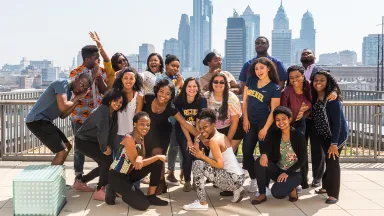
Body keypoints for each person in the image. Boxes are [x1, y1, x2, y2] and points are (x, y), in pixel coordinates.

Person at [143, 78, 203, 194]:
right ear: (157, 90)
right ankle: (157, 182)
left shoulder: (171, 107)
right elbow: (137, 113)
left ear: (171, 96)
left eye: (167, 94)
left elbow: (185, 123)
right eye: (161, 91)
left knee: (159, 156)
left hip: (163, 133)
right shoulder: (148, 98)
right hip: (147, 131)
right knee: (147, 156)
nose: (163, 96)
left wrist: (202, 137)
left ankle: (160, 183)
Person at [183, 108, 245, 211]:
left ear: (213, 125)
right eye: (200, 128)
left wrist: (202, 156)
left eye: (205, 127)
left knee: (197, 164)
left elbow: (219, 165)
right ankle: (237, 189)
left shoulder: (214, 141)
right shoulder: (221, 136)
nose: (202, 131)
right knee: (202, 163)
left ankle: (202, 203)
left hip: (233, 179)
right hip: (238, 177)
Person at [106, 112, 168, 211]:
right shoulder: (129, 138)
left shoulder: (141, 138)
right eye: (142, 124)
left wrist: (141, 158)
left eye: (148, 125)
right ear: (135, 124)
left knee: (157, 163)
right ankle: (114, 190)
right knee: (143, 205)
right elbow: (137, 163)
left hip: (129, 173)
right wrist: (156, 157)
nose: (145, 127)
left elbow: (140, 161)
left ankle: (151, 196)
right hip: (117, 176)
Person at [25, 73, 91, 165]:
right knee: (61, 152)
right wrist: (77, 97)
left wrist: (77, 102)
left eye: (84, 89)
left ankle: (56, 172)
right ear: (76, 78)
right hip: (36, 120)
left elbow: (63, 115)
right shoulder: (62, 83)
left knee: (68, 146)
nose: (81, 89)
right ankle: (51, 177)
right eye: (81, 84)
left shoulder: (68, 93)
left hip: (45, 121)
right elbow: (63, 107)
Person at [75, 89, 127, 201]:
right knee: (107, 160)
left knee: (105, 164)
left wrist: (110, 148)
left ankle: (81, 182)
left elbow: (112, 133)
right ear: (109, 100)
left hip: (92, 141)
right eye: (115, 101)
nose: (118, 104)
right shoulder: (103, 111)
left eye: (120, 102)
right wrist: (104, 148)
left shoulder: (114, 113)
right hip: (83, 141)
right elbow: (102, 132)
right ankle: (100, 190)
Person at [70, 44, 109, 191]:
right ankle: (79, 178)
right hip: (80, 117)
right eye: (95, 58)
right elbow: (81, 90)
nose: (98, 60)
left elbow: (105, 91)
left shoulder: (100, 72)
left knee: (100, 146)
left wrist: (98, 77)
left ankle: (103, 176)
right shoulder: (76, 73)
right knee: (80, 149)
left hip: (96, 117)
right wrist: (93, 75)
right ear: (87, 59)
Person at [251, 106, 307, 205]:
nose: (280, 122)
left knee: (277, 193)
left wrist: (288, 172)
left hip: (294, 172)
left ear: (289, 119)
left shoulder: (298, 135)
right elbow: (266, 147)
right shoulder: (274, 134)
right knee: (259, 162)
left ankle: (292, 187)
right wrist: (264, 154)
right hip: (278, 170)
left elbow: (303, 158)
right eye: (277, 120)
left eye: (283, 119)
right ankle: (262, 193)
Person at [242, 57, 281, 193]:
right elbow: (245, 102)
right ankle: (253, 178)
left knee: (264, 154)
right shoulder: (251, 80)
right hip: (250, 122)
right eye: (257, 68)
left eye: (262, 68)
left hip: (264, 123)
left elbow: (274, 110)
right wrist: (245, 119)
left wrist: (264, 129)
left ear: (268, 68)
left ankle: (264, 185)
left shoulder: (274, 88)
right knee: (247, 152)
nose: (259, 71)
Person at [311, 71, 348, 204]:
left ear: (328, 83)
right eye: (316, 80)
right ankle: (326, 187)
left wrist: (334, 143)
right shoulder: (315, 96)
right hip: (323, 135)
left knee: (333, 163)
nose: (318, 82)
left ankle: (333, 194)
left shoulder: (332, 99)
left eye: (322, 80)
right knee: (328, 161)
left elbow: (337, 124)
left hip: (336, 137)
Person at [174, 77, 207, 192]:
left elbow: (199, 121)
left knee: (197, 156)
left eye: (194, 86)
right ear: (185, 87)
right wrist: (189, 140)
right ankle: (187, 180)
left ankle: (197, 181)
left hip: (198, 131)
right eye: (189, 86)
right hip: (183, 131)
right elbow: (182, 122)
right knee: (187, 154)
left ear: (198, 88)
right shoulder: (178, 100)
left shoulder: (201, 100)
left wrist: (197, 141)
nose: (192, 89)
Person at [157, 54, 184, 186]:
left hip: (175, 118)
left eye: (178, 66)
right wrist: (178, 86)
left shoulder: (178, 78)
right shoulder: (161, 79)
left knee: (174, 146)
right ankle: (159, 175)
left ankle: (171, 172)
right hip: (163, 118)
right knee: (161, 147)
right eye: (173, 65)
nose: (176, 69)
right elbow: (166, 97)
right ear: (166, 65)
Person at [204, 74, 244, 153]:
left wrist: (227, 141)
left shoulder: (232, 98)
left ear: (226, 84)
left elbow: (234, 123)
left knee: (227, 155)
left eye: (222, 82)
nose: (218, 84)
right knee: (215, 156)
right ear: (211, 83)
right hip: (213, 129)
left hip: (231, 129)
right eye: (216, 82)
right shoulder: (206, 97)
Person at [112, 67, 144, 152]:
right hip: (116, 134)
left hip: (131, 135)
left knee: (129, 163)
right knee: (116, 161)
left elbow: (138, 118)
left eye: (131, 78)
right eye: (125, 78)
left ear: (135, 80)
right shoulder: (115, 94)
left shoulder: (139, 96)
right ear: (121, 79)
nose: (128, 81)